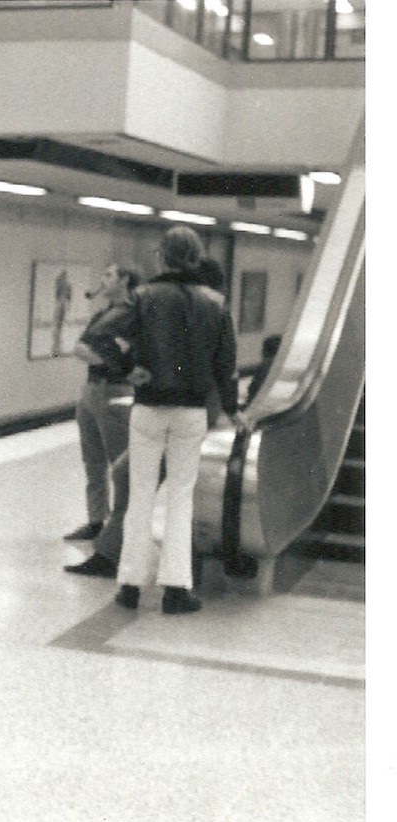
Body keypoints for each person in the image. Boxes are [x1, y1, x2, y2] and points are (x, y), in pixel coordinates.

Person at [83, 226, 244, 614]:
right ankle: (175, 589)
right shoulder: (215, 303)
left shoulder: (143, 296)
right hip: (191, 412)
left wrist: (126, 368)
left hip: (149, 408)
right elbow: (227, 367)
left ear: (162, 257)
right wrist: (233, 410)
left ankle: (129, 586)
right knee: (180, 498)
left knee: (139, 497)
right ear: (197, 257)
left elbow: (97, 335)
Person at [62, 263, 140, 544]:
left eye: (108, 275)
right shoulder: (101, 315)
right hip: (91, 392)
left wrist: (105, 357)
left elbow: (122, 355)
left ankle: (120, 527)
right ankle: (96, 520)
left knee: (118, 465)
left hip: (116, 393)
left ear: (125, 280)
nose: (102, 280)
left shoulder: (133, 316)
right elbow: (81, 347)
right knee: (92, 462)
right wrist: (107, 356)